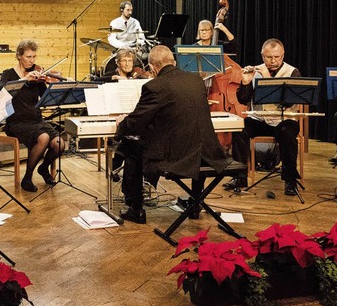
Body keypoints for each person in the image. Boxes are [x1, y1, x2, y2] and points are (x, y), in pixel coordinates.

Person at [115, 45, 231, 224]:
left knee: (131, 145)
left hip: (177, 156)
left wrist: (121, 123)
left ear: (152, 68)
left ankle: (135, 208)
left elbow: (135, 124)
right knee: (189, 141)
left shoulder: (154, 86)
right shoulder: (196, 80)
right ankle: (195, 203)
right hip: (206, 153)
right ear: (174, 62)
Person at [224, 38, 302, 195]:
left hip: (284, 120)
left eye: (277, 57)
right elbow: (243, 100)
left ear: (283, 55)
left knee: (287, 134)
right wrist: (245, 82)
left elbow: (288, 102)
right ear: (262, 56)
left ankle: (290, 181)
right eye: (268, 57)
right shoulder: (255, 71)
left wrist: (267, 78)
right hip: (260, 119)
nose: (273, 61)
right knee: (240, 129)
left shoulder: (293, 72)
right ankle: (239, 177)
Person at [0, 39, 64, 192]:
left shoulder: (37, 76)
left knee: (60, 144)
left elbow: (45, 97)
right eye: (28, 57)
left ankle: (43, 168)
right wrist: (23, 80)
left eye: (34, 57)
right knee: (44, 138)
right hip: (17, 122)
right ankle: (27, 178)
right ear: (19, 56)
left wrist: (54, 84)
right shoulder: (8, 74)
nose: (32, 60)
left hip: (36, 120)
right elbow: (3, 91)